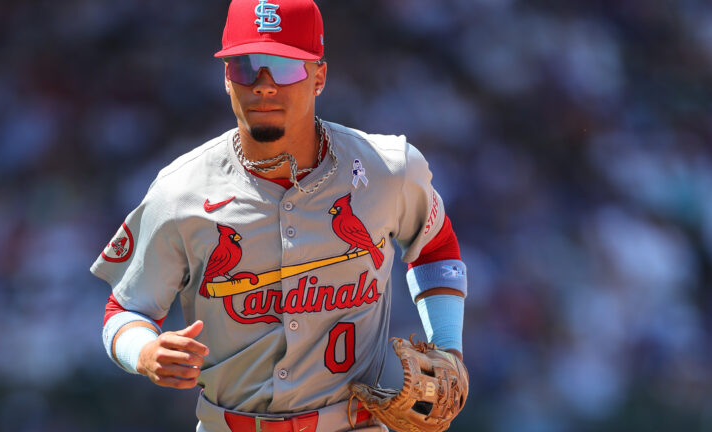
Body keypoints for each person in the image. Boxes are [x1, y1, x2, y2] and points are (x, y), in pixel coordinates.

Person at [91, 1, 468, 431]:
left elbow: (436, 247)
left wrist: (449, 347)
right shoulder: (180, 191)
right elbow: (123, 309)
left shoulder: (389, 169)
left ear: (319, 77)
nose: (264, 86)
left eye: (285, 67)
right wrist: (142, 351)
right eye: (246, 67)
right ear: (226, 79)